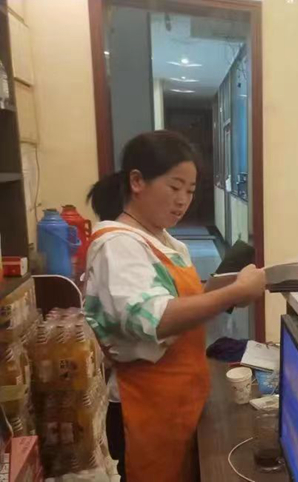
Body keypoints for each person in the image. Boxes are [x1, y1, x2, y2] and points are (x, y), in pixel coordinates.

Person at [83, 131, 267, 481]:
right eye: (174, 187)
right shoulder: (117, 245)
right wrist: (232, 294)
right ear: (137, 181)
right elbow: (153, 320)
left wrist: (228, 288)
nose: (183, 201)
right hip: (146, 406)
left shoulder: (164, 240)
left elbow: (181, 303)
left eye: (190, 190)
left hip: (179, 400)